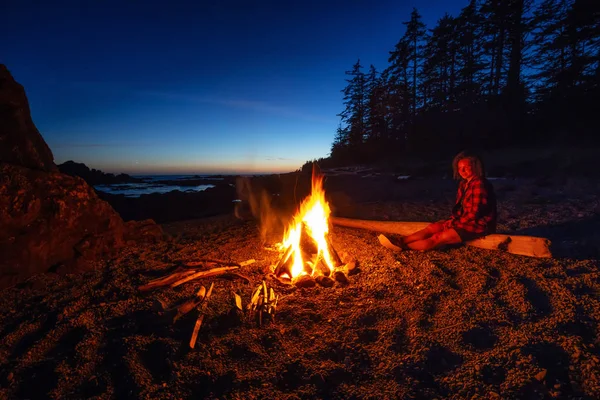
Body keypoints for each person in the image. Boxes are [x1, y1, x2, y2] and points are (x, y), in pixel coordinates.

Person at [379, 150, 497, 252]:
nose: (462, 171)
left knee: (438, 237)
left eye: (466, 167)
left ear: (475, 166)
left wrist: (454, 224)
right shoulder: (464, 184)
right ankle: (401, 241)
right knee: (432, 228)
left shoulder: (479, 184)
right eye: (460, 168)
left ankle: (405, 247)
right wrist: (451, 221)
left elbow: (474, 213)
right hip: (465, 221)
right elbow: (461, 209)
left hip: (479, 225)